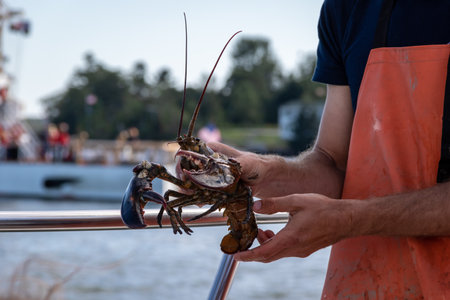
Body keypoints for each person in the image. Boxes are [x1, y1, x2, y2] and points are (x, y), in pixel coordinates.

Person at [209, 0, 450, 298]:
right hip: (364, 284)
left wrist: (350, 218)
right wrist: (269, 173)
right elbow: (332, 161)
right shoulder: (344, 9)